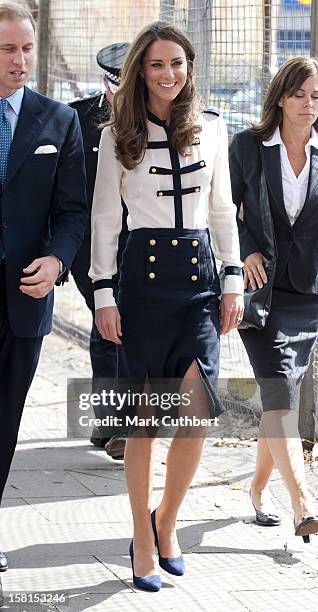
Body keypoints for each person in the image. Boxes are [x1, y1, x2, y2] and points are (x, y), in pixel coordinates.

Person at [90, 21, 243, 591]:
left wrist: (233, 283)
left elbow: (224, 211)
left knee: (198, 415)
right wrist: (103, 293)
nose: (168, 74)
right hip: (143, 283)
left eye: (177, 63)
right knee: (144, 423)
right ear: (140, 71)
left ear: (190, 67)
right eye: (157, 64)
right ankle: (140, 535)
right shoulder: (116, 135)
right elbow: (105, 220)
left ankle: (167, 520)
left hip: (200, 282)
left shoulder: (212, 128)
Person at [0, 2, 87, 571]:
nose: (21, 60)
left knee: (5, 420)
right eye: (8, 49)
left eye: (27, 48)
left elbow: (73, 212)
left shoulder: (58, 119)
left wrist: (56, 263)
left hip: (24, 301)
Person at [229, 56, 318, 542]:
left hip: (309, 293)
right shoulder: (247, 146)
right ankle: (303, 503)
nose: (309, 105)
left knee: (278, 400)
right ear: (281, 97)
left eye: (317, 97)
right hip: (261, 293)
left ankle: (258, 489)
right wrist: (246, 251)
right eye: (301, 94)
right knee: (281, 392)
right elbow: (223, 209)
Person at [69, 43, 129, 459]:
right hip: (90, 247)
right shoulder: (77, 117)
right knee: (107, 322)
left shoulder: (154, 119)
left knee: (125, 327)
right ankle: (111, 425)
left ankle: (114, 426)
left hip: (141, 244)